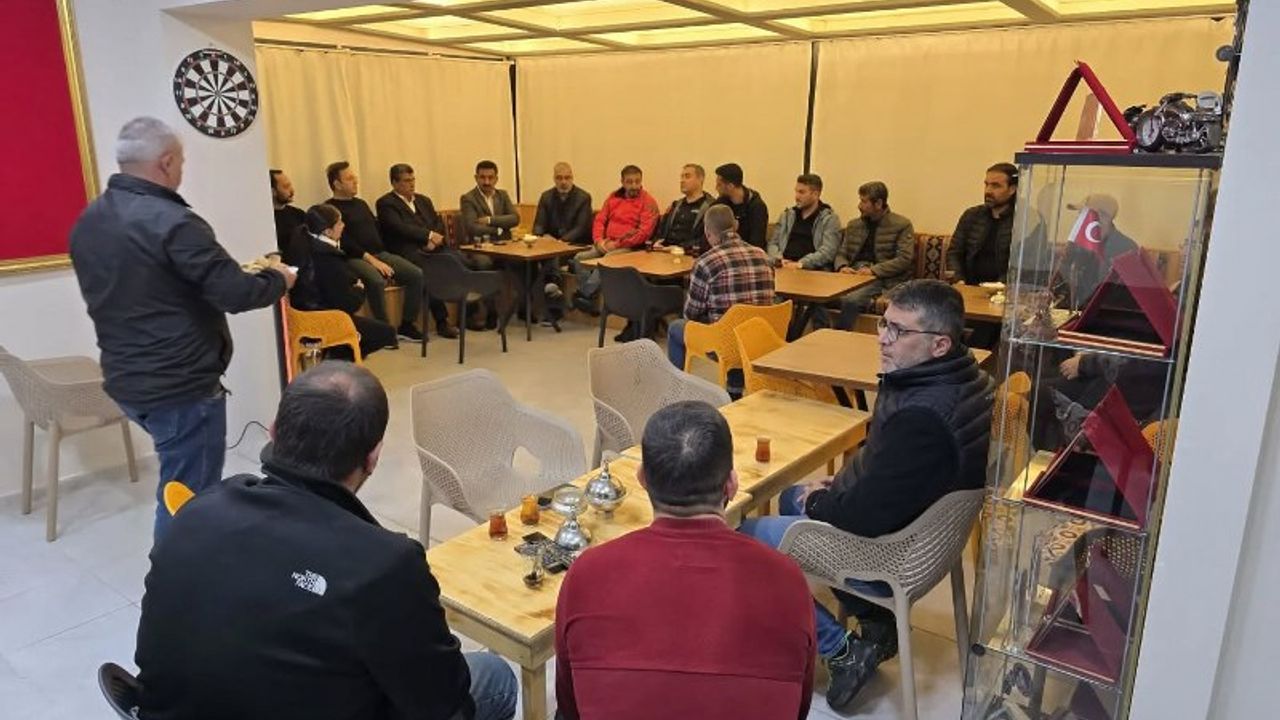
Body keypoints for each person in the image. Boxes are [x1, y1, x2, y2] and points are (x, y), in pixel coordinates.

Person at [134, 362, 517, 720]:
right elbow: (443, 706)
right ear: (372, 457)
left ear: (273, 431)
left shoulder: (196, 511)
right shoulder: (384, 566)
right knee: (494, 675)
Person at [739, 279, 994, 713]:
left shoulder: (922, 416)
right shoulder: (969, 379)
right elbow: (887, 468)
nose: (883, 338)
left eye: (899, 331)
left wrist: (820, 501)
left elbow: (863, 516)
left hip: (894, 554)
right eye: (884, 324)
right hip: (929, 535)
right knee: (790, 497)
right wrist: (838, 485)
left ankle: (842, 650)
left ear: (939, 344)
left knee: (744, 541)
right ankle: (876, 618)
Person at [69, 116, 294, 540]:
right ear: (167, 162)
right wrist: (278, 278)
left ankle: (188, 558)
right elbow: (235, 293)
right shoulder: (173, 222)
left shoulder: (90, 220)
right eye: (182, 162)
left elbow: (147, 288)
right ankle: (177, 572)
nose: (182, 171)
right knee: (188, 498)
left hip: (127, 379)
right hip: (180, 386)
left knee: (180, 481)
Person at [555, 400, 815, 720]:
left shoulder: (587, 575)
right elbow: (798, 707)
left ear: (642, 478)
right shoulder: (786, 580)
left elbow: (570, 705)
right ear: (732, 484)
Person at [667, 205, 776, 395]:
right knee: (737, 320)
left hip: (725, 344)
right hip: (760, 340)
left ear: (707, 233)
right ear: (736, 226)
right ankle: (734, 390)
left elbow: (691, 314)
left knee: (677, 327)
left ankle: (677, 391)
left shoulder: (706, 263)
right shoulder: (764, 256)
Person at [324, 161, 425, 342]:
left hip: (379, 253)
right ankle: (384, 331)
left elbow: (376, 229)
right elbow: (344, 242)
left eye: (354, 177)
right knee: (376, 281)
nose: (355, 181)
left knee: (415, 274)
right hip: (353, 258)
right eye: (349, 178)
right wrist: (372, 260)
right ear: (337, 184)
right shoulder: (330, 209)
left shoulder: (361, 204)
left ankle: (407, 325)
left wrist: (386, 254)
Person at [291, 204, 397, 357]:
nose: (343, 225)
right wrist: (359, 290)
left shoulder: (300, 243)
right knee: (386, 333)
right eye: (339, 223)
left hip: (300, 318)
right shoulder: (328, 257)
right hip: (324, 320)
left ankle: (338, 356)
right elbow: (346, 305)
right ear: (328, 231)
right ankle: (340, 361)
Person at [374, 163, 460, 339]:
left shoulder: (423, 200)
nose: (412, 184)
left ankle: (470, 314)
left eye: (413, 179)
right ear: (394, 183)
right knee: (429, 271)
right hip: (406, 250)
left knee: (461, 261)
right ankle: (441, 321)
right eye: (406, 181)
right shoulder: (385, 203)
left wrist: (433, 240)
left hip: (432, 247)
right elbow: (399, 228)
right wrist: (427, 237)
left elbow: (437, 223)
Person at [570, 165, 659, 314]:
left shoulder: (648, 202)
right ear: (622, 182)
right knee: (579, 258)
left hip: (631, 248)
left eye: (637, 181)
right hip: (606, 243)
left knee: (607, 260)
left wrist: (616, 245)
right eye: (629, 182)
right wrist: (599, 241)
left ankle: (585, 295)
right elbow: (600, 220)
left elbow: (643, 233)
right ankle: (589, 298)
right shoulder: (613, 197)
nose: (634, 186)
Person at [832, 181, 916, 327]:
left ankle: (838, 335)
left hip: (880, 277)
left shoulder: (902, 225)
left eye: (864, 202)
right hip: (852, 275)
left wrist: (873, 270)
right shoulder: (854, 225)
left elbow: (904, 259)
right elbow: (841, 253)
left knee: (851, 300)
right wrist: (842, 267)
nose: (859, 206)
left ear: (878, 203)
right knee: (817, 295)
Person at [531, 162, 593, 326]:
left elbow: (581, 228)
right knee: (532, 260)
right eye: (559, 178)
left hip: (576, 245)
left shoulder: (583, 197)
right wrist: (541, 236)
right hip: (549, 245)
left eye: (567, 178)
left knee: (552, 258)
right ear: (554, 179)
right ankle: (533, 305)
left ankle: (553, 308)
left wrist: (559, 242)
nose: (563, 182)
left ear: (572, 178)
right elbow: (538, 224)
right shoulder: (546, 197)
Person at [946, 162, 1025, 285]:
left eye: (995, 186)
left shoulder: (1024, 220)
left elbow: (1024, 265)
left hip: (1004, 289)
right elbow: (954, 253)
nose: (988, 191)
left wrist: (999, 286)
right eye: (986, 184)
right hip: (968, 286)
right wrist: (959, 280)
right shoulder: (971, 215)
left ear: (1012, 189)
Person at [768, 173, 841, 270]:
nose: (797, 197)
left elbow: (829, 251)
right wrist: (778, 260)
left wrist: (801, 264)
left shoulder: (829, 219)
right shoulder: (787, 216)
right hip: (783, 266)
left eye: (801, 192)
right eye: (796, 191)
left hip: (811, 270)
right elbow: (773, 243)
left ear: (815, 194)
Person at [652, 163, 715, 255]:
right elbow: (661, 230)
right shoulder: (675, 205)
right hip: (665, 252)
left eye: (687, 176)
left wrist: (681, 248)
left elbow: (708, 239)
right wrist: (657, 242)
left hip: (690, 254)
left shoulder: (711, 207)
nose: (682, 181)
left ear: (700, 179)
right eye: (682, 177)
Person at [460, 159, 520, 244]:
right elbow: (472, 228)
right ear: (476, 178)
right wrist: (498, 230)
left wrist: (489, 220)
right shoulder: (468, 198)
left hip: (505, 243)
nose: (486, 182)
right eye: (482, 177)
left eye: (490, 178)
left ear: (496, 179)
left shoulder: (503, 195)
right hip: (480, 245)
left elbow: (515, 218)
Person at [712, 163, 769, 250]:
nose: (716, 188)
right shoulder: (720, 204)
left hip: (749, 254)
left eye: (719, 185)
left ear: (730, 186)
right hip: (724, 252)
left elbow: (757, 243)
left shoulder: (757, 207)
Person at [271, 169, 307, 266]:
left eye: (290, 185)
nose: (292, 190)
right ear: (273, 191)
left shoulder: (299, 214)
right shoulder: (265, 219)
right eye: (286, 187)